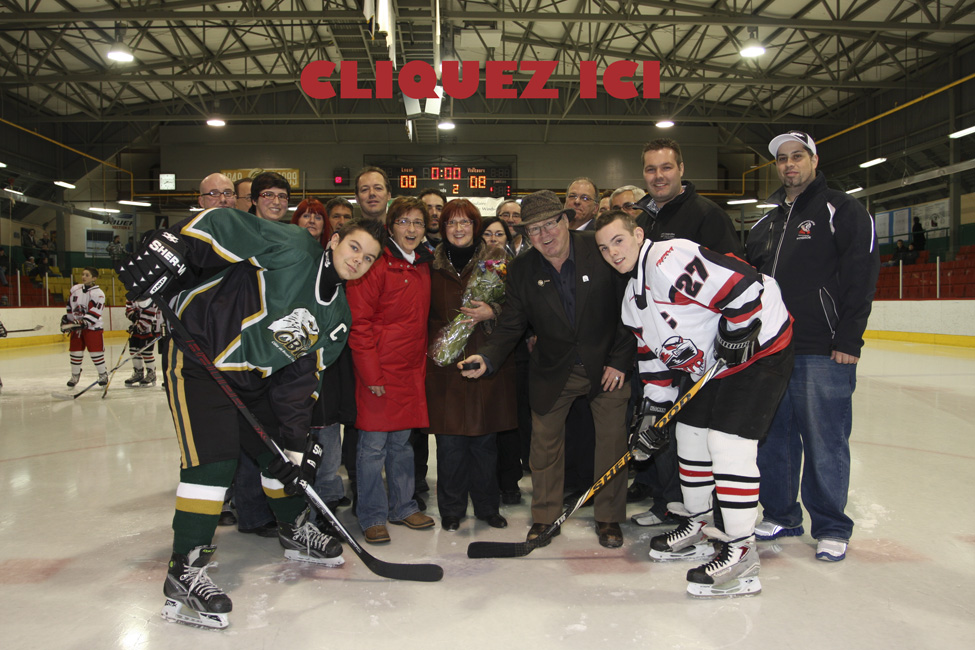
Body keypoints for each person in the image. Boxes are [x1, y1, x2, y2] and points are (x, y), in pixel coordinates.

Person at [117, 210, 385, 629]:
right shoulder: (294, 247)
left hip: (252, 378)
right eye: (354, 247)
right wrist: (179, 247)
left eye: (368, 257)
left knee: (281, 455)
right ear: (333, 241)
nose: (358, 260)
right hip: (198, 358)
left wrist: (296, 446)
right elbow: (228, 225)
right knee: (213, 461)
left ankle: (295, 530)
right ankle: (183, 572)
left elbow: (300, 384)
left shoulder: (337, 321)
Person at [594, 209, 794, 597]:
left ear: (638, 235)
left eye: (618, 240)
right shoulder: (631, 302)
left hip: (762, 348)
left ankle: (741, 552)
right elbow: (654, 361)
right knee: (688, 433)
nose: (613, 252)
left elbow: (745, 287)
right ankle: (700, 524)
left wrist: (738, 329)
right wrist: (654, 412)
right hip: (714, 366)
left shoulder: (670, 258)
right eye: (604, 248)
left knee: (728, 443)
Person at [459, 190, 635, 549]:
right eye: (534, 230)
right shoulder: (523, 269)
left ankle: (609, 518)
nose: (544, 235)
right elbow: (512, 323)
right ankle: (544, 518)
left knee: (613, 443)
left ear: (565, 221)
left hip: (606, 361)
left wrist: (619, 360)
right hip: (555, 366)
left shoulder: (598, 251)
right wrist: (488, 357)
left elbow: (629, 308)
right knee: (543, 446)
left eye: (550, 225)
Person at [746, 131, 879, 563]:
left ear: (814, 160)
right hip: (772, 349)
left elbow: (862, 273)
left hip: (823, 347)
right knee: (775, 439)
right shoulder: (766, 223)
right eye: (782, 159)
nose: (789, 165)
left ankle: (831, 525)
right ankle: (782, 513)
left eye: (797, 156)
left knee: (825, 440)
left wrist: (848, 337)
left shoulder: (842, 209)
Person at [627, 138, 744, 529]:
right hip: (663, 345)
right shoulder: (642, 222)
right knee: (662, 425)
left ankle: (700, 509)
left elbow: (735, 275)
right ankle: (667, 504)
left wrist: (725, 338)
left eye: (665, 167)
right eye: (650, 169)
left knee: (698, 434)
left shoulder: (707, 216)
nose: (658, 176)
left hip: (702, 349)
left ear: (681, 169)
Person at [346, 196, 436, 543]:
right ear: (390, 226)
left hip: (410, 371)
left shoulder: (423, 263)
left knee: (402, 445)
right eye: (404, 222)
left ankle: (403, 506)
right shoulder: (376, 264)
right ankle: (371, 515)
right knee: (372, 449)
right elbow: (360, 323)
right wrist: (371, 375)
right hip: (380, 373)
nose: (411, 229)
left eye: (417, 222)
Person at [428, 199, 516, 532]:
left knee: (484, 442)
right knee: (450, 444)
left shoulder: (497, 261)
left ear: (476, 227)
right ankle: (451, 509)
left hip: (486, 358)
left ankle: (487, 507)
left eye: (466, 222)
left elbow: (519, 309)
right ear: (443, 227)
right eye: (452, 223)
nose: (459, 228)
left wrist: (493, 313)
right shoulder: (431, 264)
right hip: (445, 361)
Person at [64, 267, 108, 387]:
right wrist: (68, 320)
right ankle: (75, 375)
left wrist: (84, 322)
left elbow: (96, 310)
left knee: (95, 353)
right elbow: (70, 306)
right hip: (77, 327)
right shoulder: (75, 289)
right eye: (83, 274)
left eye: (87, 275)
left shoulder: (99, 294)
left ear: (94, 278)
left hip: (93, 327)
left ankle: (102, 374)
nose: (83, 277)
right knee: (75, 352)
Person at [122, 299, 164, 387]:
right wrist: (132, 315)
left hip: (148, 328)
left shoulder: (149, 296)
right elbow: (128, 307)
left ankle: (151, 373)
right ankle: (138, 372)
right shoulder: (132, 295)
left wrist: (141, 326)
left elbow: (151, 311)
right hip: (136, 326)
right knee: (133, 350)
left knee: (146, 352)